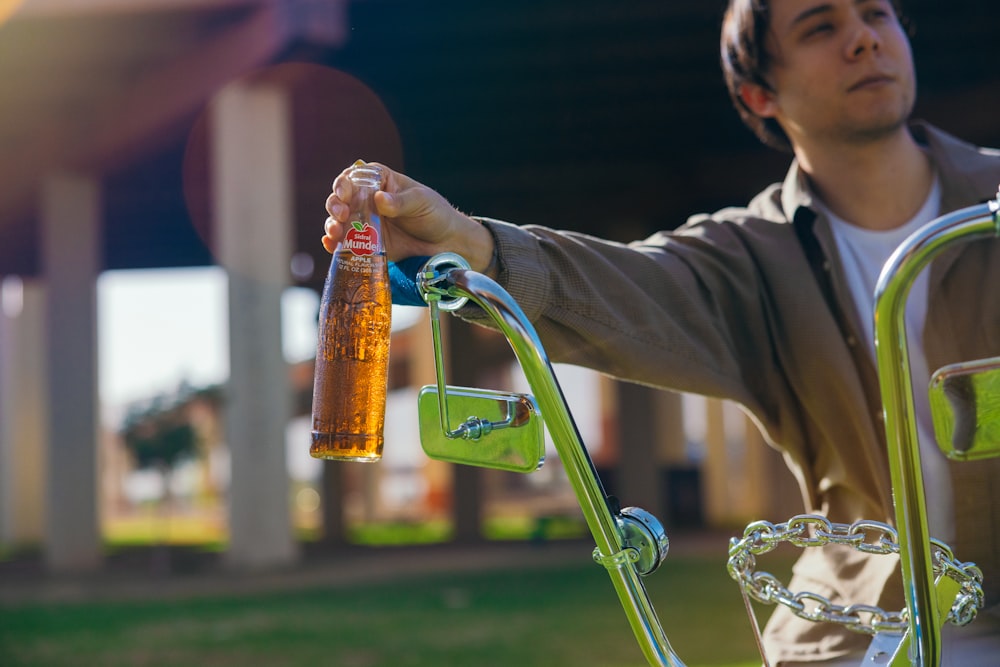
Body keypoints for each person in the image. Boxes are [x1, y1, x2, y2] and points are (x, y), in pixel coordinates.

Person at [322, 0, 1000, 664]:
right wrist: (470, 244)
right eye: (822, 26)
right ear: (760, 94)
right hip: (859, 635)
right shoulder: (751, 255)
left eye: (877, 15)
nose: (863, 39)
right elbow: (630, 286)